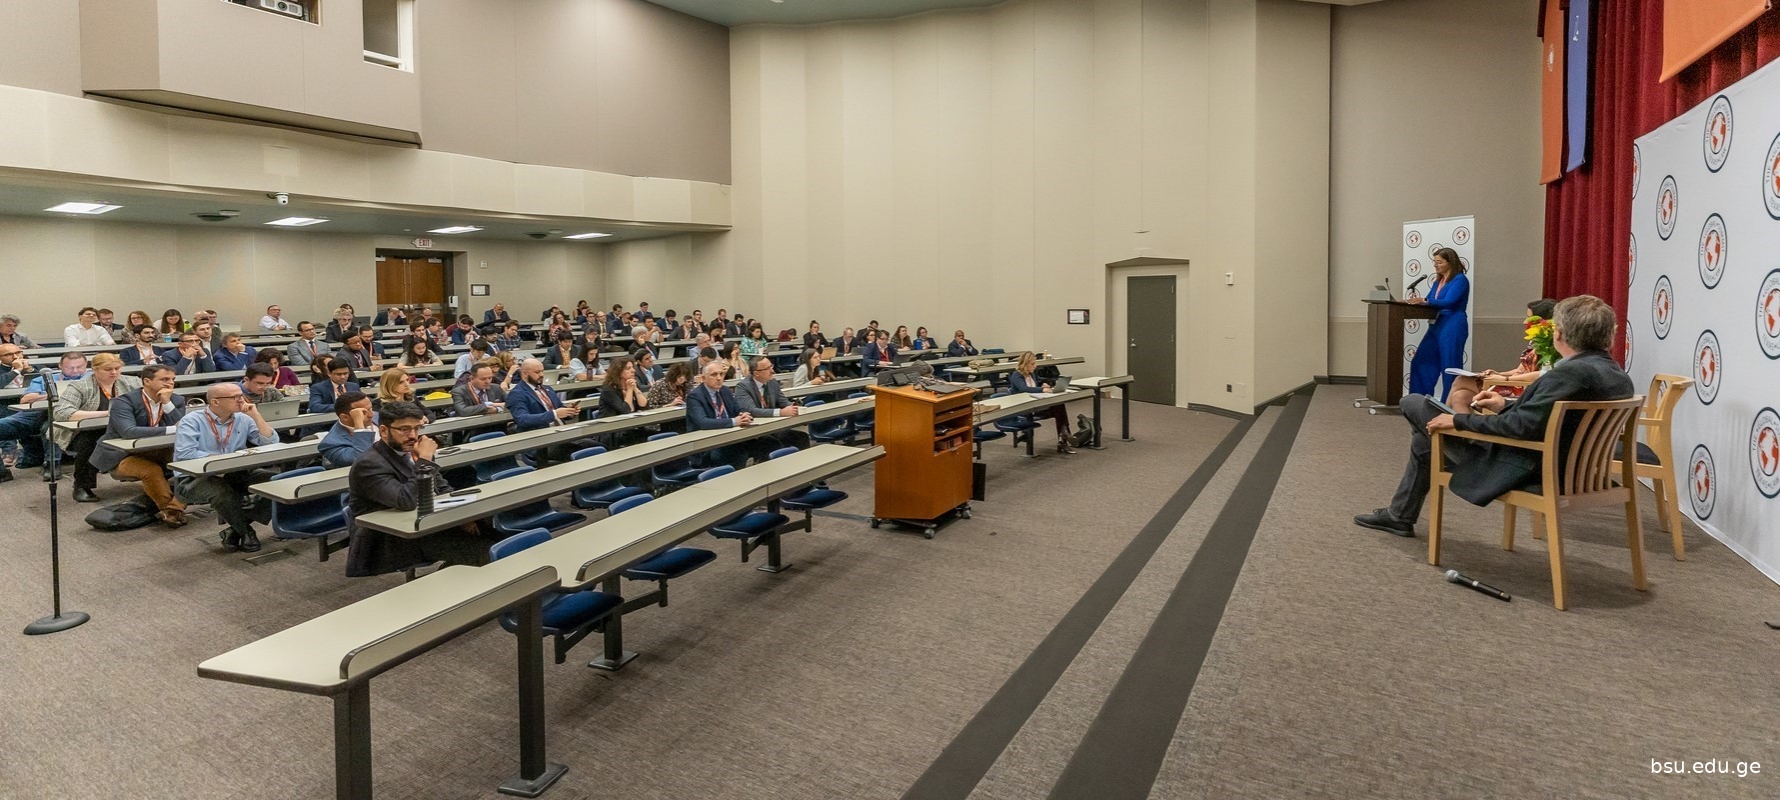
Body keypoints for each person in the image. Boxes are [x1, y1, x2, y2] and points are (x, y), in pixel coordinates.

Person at [1354, 295, 1634, 538]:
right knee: (1427, 438)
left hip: (1524, 467)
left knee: (1414, 403)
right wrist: (1503, 405)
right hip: (1571, 469)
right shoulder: (1618, 376)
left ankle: (1400, 515)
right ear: (1608, 336)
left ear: (1558, 334)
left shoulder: (1568, 374)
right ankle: (1399, 516)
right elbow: (1550, 418)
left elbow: (1521, 427)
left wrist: (1458, 420)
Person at [345, 400, 496, 577]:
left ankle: (453, 573)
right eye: (405, 429)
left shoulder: (410, 451)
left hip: (431, 521)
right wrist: (425, 461)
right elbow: (406, 501)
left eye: (417, 428)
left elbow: (441, 487)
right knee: (486, 553)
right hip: (394, 538)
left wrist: (461, 517)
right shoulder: (369, 464)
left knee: (498, 537)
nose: (413, 436)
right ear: (384, 431)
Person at [174, 382, 276, 551]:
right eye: (235, 397)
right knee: (222, 492)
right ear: (215, 402)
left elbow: (271, 443)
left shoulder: (243, 418)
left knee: (277, 482)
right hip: (195, 477)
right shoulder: (191, 420)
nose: (241, 400)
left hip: (235, 473)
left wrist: (256, 416)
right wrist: (224, 460)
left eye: (241, 395)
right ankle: (246, 532)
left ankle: (234, 530)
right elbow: (186, 453)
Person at [92, 364, 188, 526]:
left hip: (159, 450)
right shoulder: (124, 402)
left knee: (190, 461)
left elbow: (184, 428)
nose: (170, 383)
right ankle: (171, 511)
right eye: (164, 379)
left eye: (172, 379)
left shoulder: (176, 400)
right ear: (147, 381)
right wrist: (172, 429)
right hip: (123, 455)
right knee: (150, 471)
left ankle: (175, 508)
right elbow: (129, 431)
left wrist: (167, 403)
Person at [53, 353, 139, 502]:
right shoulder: (80, 386)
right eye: (108, 369)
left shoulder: (132, 382)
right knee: (91, 440)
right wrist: (105, 413)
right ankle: (82, 486)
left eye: (117, 368)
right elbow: (61, 412)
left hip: (122, 426)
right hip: (83, 431)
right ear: (94, 369)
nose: (114, 373)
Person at [1446, 298, 1560, 410]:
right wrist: (1497, 374)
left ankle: (1441, 417)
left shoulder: (1552, 345)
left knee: (1461, 380)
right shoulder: (1534, 341)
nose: (1525, 322)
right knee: (1460, 396)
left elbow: (1542, 374)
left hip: (1524, 389)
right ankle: (1450, 420)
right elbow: (1520, 370)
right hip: (1514, 382)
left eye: (1529, 318)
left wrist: (1505, 379)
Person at [0, 349, 82, 480]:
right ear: (60, 366)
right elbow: (26, 399)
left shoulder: (89, 378)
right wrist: (53, 395)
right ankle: (2, 473)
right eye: (70, 367)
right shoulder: (44, 378)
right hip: (34, 414)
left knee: (49, 427)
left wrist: (43, 395)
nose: (75, 371)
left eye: (79, 367)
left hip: (66, 414)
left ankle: (52, 464)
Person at [1406, 246, 1471, 400]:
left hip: (1452, 324)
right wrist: (1411, 302)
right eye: (1434, 262)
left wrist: (1425, 300)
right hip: (1436, 325)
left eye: (1439, 262)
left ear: (1450, 262)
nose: (1436, 265)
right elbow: (1430, 299)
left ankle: (1448, 404)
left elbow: (1449, 301)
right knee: (1421, 361)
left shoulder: (1460, 280)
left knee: (1450, 365)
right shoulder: (1438, 281)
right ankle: (1418, 400)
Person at [506, 358, 583, 466]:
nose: (541, 375)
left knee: (594, 445)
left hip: (561, 434)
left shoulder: (547, 389)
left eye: (542, 371)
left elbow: (559, 409)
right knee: (581, 449)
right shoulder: (517, 394)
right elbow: (522, 419)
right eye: (537, 372)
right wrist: (554, 414)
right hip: (540, 442)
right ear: (525, 373)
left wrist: (569, 411)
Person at [686, 361, 754, 468]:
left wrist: (744, 415)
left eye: (721, 374)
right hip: (707, 443)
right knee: (735, 453)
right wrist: (734, 421)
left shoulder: (725, 390)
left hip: (729, 436)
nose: (719, 378)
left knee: (765, 442)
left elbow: (738, 409)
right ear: (703, 378)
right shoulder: (694, 396)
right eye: (714, 375)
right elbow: (703, 422)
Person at [1009, 351, 1077, 454]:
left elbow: (1033, 387)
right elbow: (1024, 389)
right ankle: (1064, 436)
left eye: (1035, 363)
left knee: (1059, 406)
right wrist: (1042, 390)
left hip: (1035, 403)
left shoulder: (1032, 374)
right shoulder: (1016, 375)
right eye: (1032, 364)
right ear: (1025, 364)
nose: (1035, 366)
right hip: (1024, 407)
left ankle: (1063, 436)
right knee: (1059, 409)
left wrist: (1042, 386)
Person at [319, 391, 377, 469]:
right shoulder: (330, 444)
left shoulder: (378, 417)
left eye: (370, 408)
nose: (371, 414)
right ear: (345, 417)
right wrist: (359, 426)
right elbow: (362, 461)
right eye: (363, 412)